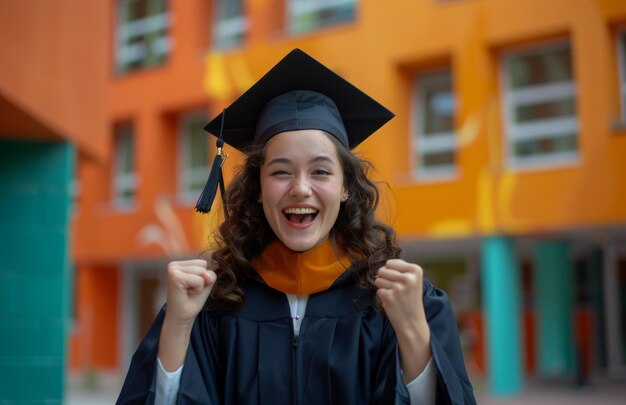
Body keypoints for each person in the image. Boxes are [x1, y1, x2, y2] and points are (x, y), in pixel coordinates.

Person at [117, 48, 476, 404]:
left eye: (320, 171)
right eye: (281, 172)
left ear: (346, 187)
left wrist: (413, 330)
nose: (300, 188)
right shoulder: (214, 303)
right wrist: (178, 325)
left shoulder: (400, 301)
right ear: (258, 188)